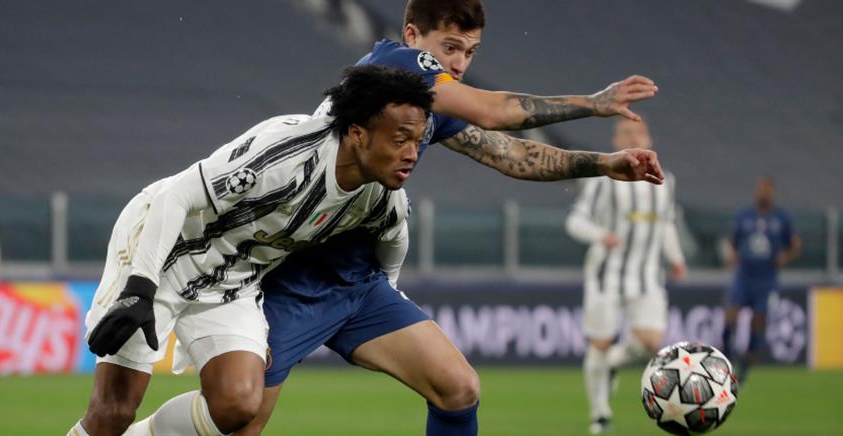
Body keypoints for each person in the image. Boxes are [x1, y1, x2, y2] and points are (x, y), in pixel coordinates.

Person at [239, 1, 665, 434]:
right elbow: (493, 112)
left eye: (470, 52)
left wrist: (605, 163)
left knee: (458, 388)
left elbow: (511, 154)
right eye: (450, 48)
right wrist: (593, 103)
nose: (459, 64)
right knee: (240, 420)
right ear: (412, 36)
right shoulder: (394, 65)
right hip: (292, 281)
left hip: (357, 284)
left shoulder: (426, 102)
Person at [69, 65, 439, 436]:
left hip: (232, 280)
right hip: (164, 253)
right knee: (114, 412)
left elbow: (394, 239)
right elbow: (176, 196)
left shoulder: (382, 197)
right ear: (358, 133)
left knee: (240, 403)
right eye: (400, 140)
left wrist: (388, 289)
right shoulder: (288, 156)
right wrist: (141, 286)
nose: (412, 154)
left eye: (417, 141)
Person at [566, 118, 687, 434]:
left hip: (647, 276)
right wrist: (600, 235)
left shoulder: (665, 181)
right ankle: (600, 415)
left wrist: (676, 258)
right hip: (606, 275)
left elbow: (666, 224)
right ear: (616, 141)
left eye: (639, 132)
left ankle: (612, 365)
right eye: (626, 132)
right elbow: (575, 221)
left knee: (651, 342)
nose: (634, 136)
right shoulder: (602, 181)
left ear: (649, 138)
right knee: (600, 343)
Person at [721, 177, 800, 384]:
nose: (764, 193)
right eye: (761, 189)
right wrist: (731, 255)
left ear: (773, 193)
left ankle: (744, 370)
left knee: (758, 321)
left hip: (766, 278)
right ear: (756, 192)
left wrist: (786, 256)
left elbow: (795, 245)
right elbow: (731, 241)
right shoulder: (744, 216)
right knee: (731, 317)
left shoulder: (782, 218)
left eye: (768, 190)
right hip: (744, 275)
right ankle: (725, 360)